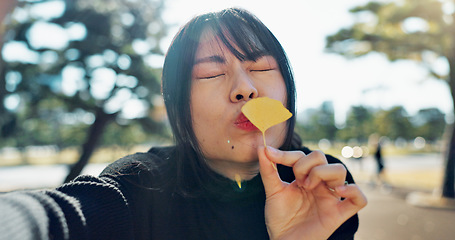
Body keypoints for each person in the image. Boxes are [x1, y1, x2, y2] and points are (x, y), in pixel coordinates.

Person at [0, 7, 367, 240]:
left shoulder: (322, 184)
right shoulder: (141, 186)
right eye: (210, 74)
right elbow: (58, 218)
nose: (245, 88)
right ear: (178, 106)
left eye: (261, 68)